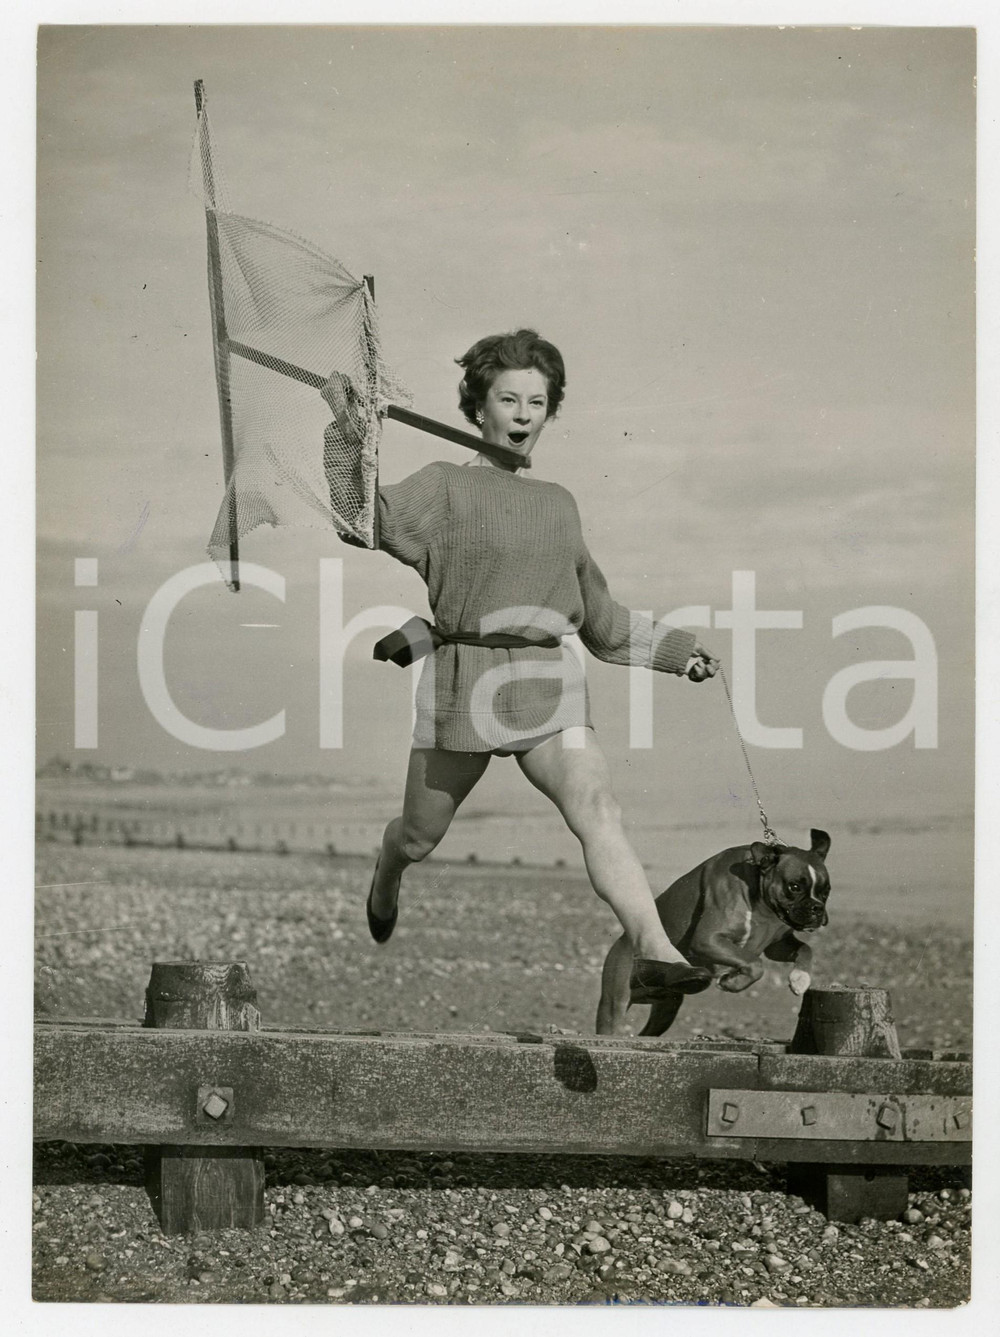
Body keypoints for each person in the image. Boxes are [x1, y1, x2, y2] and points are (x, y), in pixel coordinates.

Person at [351, 329, 720, 1005]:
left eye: (538, 401)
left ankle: (654, 950)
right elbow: (362, 516)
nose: (524, 414)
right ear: (478, 406)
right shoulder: (443, 487)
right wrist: (350, 435)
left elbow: (601, 621)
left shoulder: (559, 503)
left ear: (550, 412)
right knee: (419, 836)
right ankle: (386, 872)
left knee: (598, 806)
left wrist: (678, 653)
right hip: (464, 685)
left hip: (549, 685)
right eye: (509, 398)